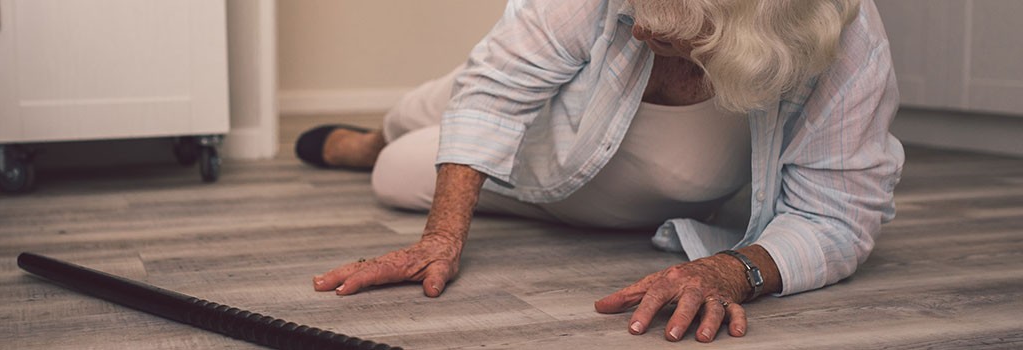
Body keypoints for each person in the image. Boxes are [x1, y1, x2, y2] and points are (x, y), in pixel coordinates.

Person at [295, 0, 903, 343]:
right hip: (565, 88)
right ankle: (375, 134)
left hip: (591, 154)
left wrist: (736, 271)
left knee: (398, 173)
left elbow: (838, 215)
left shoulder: (841, 39)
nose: (636, 25)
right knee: (455, 94)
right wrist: (441, 238)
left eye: (664, 19)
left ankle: (384, 146)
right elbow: (497, 88)